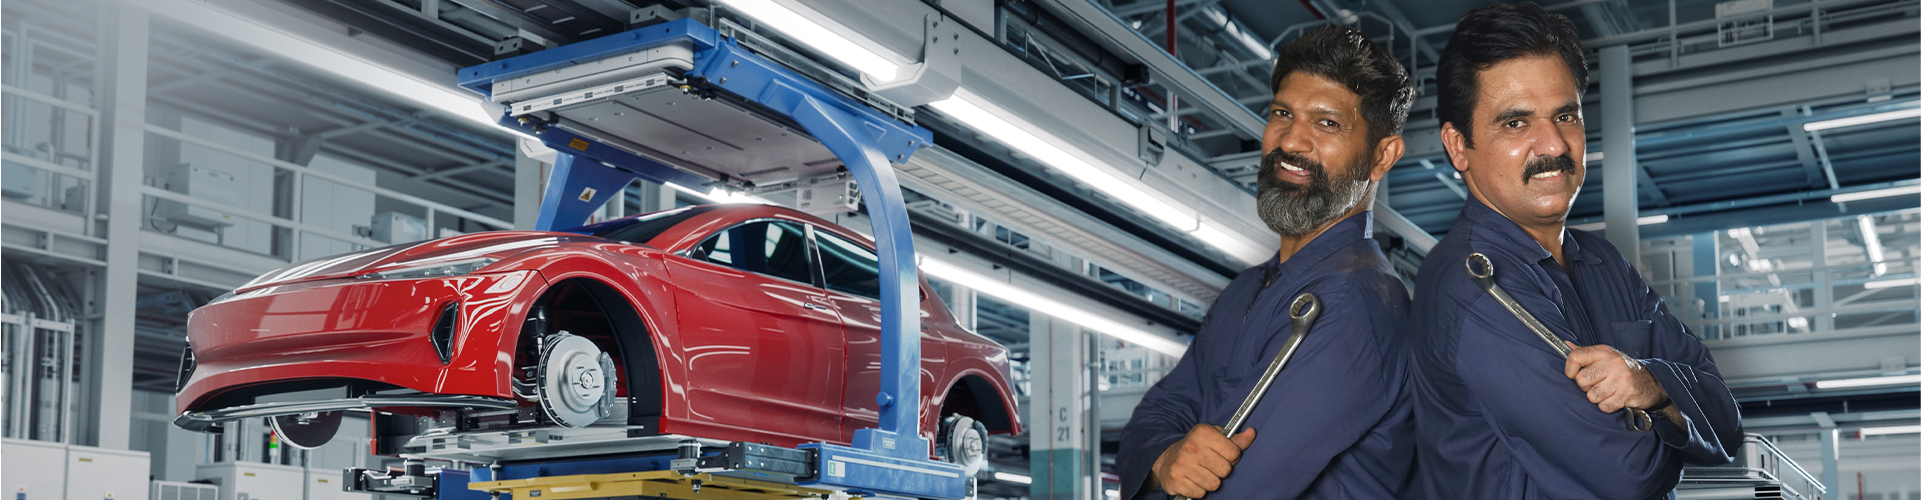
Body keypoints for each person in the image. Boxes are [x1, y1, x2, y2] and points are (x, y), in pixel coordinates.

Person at [1407, 3, 1743, 498]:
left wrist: (1649, 382)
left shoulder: (1605, 262)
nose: (1554, 144)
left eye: (1566, 116)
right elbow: (1629, 472)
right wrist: (1677, 413)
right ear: (1459, 146)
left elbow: (1728, 425)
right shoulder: (1471, 284)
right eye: (1516, 124)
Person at [1117, 25, 1417, 500]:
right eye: (1282, 113)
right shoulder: (1246, 289)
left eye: (1327, 123)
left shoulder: (1360, 304)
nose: (1293, 141)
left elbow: (1233, 490)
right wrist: (1165, 456)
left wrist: (1172, 462)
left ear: (1382, 156)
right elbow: (1150, 420)